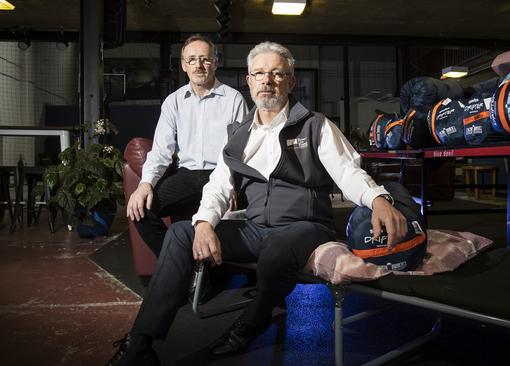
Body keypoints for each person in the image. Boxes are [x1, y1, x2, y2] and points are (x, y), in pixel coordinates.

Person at [108, 41, 407, 366]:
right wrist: (205, 223)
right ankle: (140, 343)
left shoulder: (316, 125)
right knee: (182, 232)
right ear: (249, 81)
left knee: (277, 246)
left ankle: (252, 322)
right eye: (260, 73)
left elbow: (348, 170)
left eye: (278, 74)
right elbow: (219, 184)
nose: (268, 80)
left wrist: (377, 198)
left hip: (306, 227)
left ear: (290, 82)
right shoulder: (239, 134)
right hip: (257, 229)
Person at [126, 34, 248, 256]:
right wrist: (145, 184)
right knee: (140, 210)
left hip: (220, 173)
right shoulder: (173, 102)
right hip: (187, 175)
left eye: (205, 59)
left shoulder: (234, 99)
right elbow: (161, 151)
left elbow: (238, 150)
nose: (199, 65)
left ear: (216, 62)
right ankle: (179, 261)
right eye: (192, 59)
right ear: (184, 65)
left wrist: (232, 183)